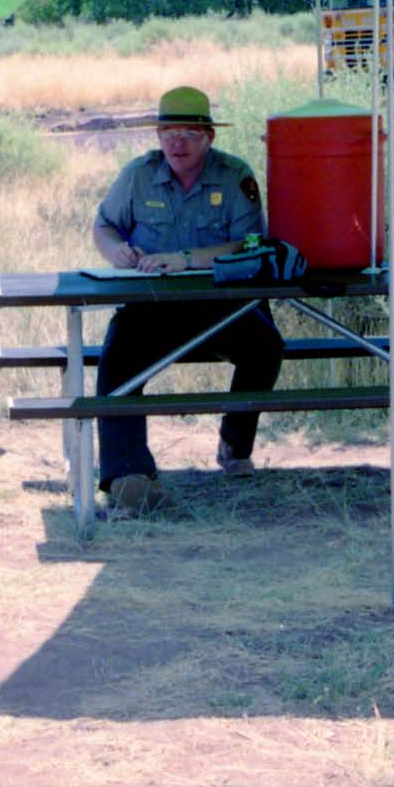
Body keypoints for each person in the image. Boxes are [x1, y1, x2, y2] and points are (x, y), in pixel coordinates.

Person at [91, 86, 284, 515]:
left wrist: (185, 260)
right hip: (153, 305)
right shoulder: (138, 175)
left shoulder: (236, 176)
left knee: (266, 345)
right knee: (118, 361)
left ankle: (234, 445)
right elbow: (104, 226)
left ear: (210, 137)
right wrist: (116, 252)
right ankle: (128, 478)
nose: (177, 144)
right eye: (168, 133)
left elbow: (249, 243)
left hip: (222, 304)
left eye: (189, 134)